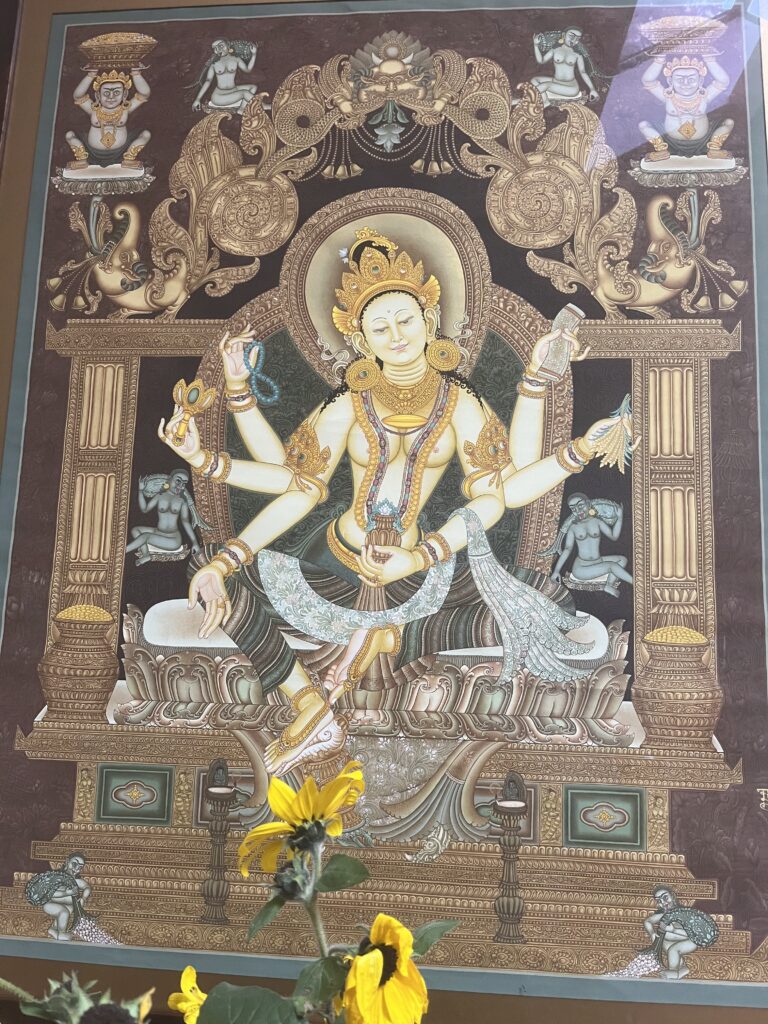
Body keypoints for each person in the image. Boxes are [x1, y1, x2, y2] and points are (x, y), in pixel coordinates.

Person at [159, 228, 626, 774]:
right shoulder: (348, 404)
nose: (396, 335)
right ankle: (309, 703)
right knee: (210, 570)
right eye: (379, 328)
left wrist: (554, 409)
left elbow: (504, 492)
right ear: (361, 340)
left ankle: (389, 639)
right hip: (335, 570)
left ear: (430, 321)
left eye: (406, 320)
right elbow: (297, 484)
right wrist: (208, 470)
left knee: (548, 599)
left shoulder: (460, 403)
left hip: (417, 571)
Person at [639, 54, 733, 162]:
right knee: (643, 126)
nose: (685, 83)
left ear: (700, 81)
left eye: (691, 79)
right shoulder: (668, 97)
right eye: (679, 80)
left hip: (705, 141)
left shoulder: (704, 97)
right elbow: (648, 81)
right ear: (670, 81)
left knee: (729, 123)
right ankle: (661, 150)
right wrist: (659, 60)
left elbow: (723, 81)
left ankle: (714, 149)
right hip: (669, 141)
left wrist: (709, 59)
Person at [65, 67, 150, 170]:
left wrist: (136, 74)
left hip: (122, 151)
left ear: (124, 95)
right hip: (91, 151)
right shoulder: (94, 109)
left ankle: (129, 159)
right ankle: (82, 160)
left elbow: (144, 94)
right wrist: (90, 75)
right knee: (69, 135)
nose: (111, 97)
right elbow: (78, 96)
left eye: (116, 93)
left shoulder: (125, 109)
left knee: (146, 135)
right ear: (98, 95)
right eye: (106, 93)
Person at [550, 493, 633, 596]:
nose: (578, 510)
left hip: (597, 561)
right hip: (581, 567)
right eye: (573, 508)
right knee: (612, 566)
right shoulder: (573, 527)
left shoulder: (597, 521)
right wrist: (556, 571)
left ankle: (609, 585)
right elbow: (567, 549)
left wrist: (619, 518)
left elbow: (614, 536)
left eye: (580, 505)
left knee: (622, 559)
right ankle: (637, 584)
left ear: (588, 504)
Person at [125, 469, 204, 565]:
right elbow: (144, 509)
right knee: (135, 530)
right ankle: (146, 554)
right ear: (170, 479)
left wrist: (195, 542)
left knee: (145, 536)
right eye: (178, 481)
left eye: (184, 483)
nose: (180, 486)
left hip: (173, 539)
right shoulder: (160, 496)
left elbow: (185, 522)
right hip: (159, 532)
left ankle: (123, 552)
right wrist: (140, 491)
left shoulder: (182, 501)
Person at [643, 886, 719, 979]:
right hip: (673, 941)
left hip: (690, 941)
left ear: (672, 896)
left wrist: (673, 930)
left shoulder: (685, 914)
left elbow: (692, 934)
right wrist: (652, 933)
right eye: (659, 901)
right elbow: (648, 921)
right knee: (662, 941)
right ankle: (683, 968)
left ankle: (674, 972)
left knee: (673, 950)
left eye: (665, 897)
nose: (663, 902)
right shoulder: (664, 914)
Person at [25, 853, 91, 941]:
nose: (76, 868)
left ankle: (53, 930)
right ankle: (61, 933)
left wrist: (83, 898)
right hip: (50, 904)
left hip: (66, 906)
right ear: (67, 862)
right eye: (74, 864)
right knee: (64, 913)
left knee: (70, 909)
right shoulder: (56, 879)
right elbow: (51, 894)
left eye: (80, 867)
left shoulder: (76, 881)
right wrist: (66, 893)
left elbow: (87, 887)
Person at [529, 28, 601, 106]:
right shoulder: (555, 50)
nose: (574, 40)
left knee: (545, 85)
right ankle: (545, 101)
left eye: (577, 38)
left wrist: (592, 89)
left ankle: (525, 100)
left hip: (570, 87)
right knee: (534, 80)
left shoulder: (577, 55)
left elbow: (583, 72)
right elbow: (541, 61)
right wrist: (536, 45)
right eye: (571, 36)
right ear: (564, 35)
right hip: (556, 81)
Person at [192, 39, 260, 113]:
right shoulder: (214, 64)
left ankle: (242, 108)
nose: (218, 49)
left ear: (228, 45)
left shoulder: (236, 59)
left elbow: (248, 70)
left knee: (253, 87)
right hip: (219, 96)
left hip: (233, 89)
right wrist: (197, 99)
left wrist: (254, 54)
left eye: (221, 45)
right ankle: (263, 106)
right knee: (245, 93)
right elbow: (208, 81)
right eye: (215, 48)